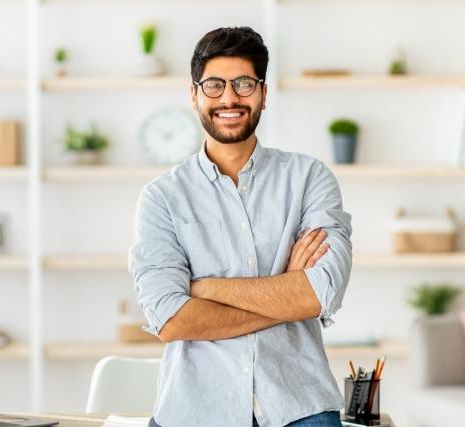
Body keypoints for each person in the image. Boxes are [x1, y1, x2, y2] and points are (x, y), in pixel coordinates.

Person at [128, 27, 353, 427]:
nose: (229, 98)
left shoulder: (309, 179)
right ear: (194, 95)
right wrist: (285, 288)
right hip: (193, 410)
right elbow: (171, 319)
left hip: (300, 406)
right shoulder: (161, 197)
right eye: (214, 85)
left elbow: (318, 294)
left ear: (263, 94)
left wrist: (206, 289)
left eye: (243, 84)